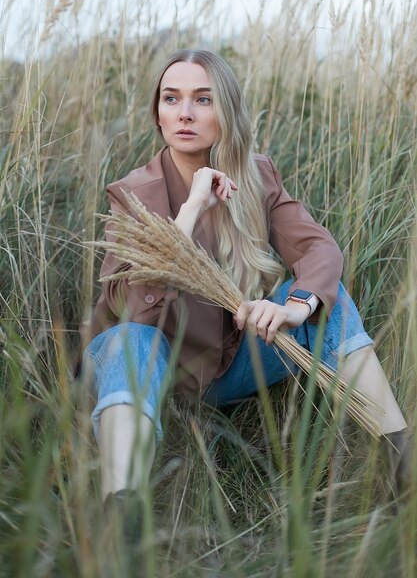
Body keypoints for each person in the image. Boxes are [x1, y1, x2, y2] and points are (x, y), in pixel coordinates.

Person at [82, 49, 412, 520]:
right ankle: (121, 511)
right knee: (132, 340)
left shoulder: (256, 176)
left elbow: (320, 249)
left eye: (203, 99)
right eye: (171, 99)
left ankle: (401, 461)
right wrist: (192, 207)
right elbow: (135, 304)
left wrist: (296, 306)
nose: (186, 113)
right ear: (157, 112)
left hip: (229, 365)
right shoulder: (132, 193)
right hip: (150, 372)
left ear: (228, 111)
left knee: (329, 306)